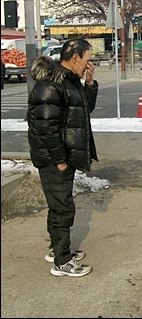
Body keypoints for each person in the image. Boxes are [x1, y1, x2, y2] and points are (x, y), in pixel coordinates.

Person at [27, 38, 99, 277]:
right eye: (87, 60)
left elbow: (84, 108)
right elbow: (45, 127)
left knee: (59, 205)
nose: (89, 65)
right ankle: (62, 261)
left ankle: (56, 248)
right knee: (62, 209)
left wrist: (89, 83)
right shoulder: (51, 84)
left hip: (62, 155)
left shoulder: (69, 80)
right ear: (75, 57)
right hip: (53, 158)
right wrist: (59, 159)